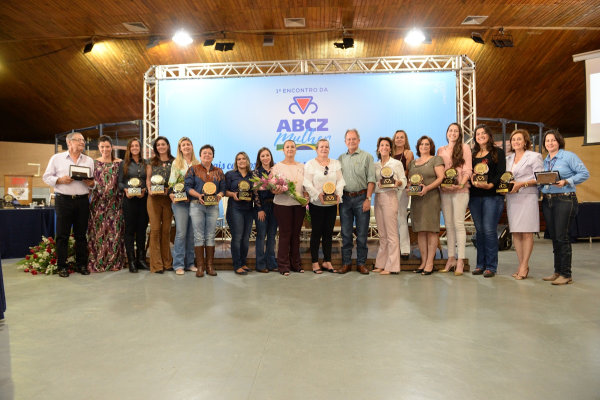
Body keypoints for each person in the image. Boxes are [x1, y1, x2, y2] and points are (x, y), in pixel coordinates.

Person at [43, 132, 95, 277]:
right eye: (79, 140)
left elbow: (93, 183)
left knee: (81, 235)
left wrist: (92, 184)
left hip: (82, 200)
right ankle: (62, 266)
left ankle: (81, 265)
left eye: (83, 141)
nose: (82, 143)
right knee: (62, 235)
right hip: (63, 200)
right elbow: (46, 177)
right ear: (69, 142)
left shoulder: (89, 160)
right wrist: (60, 180)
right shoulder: (57, 158)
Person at [540, 130, 589, 285]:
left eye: (553, 140)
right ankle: (558, 271)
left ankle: (566, 274)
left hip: (565, 200)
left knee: (562, 237)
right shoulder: (546, 161)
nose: (550, 143)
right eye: (547, 141)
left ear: (559, 142)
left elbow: (584, 173)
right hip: (548, 201)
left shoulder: (569, 156)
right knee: (555, 237)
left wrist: (566, 181)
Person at [504, 129, 544, 280]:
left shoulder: (534, 156)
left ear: (525, 141)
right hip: (512, 198)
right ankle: (520, 264)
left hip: (528, 197)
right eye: (513, 139)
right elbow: (507, 179)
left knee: (527, 232)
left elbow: (540, 178)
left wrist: (521, 184)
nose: (516, 142)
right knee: (516, 233)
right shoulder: (509, 158)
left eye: (519, 139)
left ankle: (525, 265)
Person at [469, 124, 506, 278]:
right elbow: (469, 172)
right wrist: (471, 177)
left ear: (489, 135)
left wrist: (491, 184)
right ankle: (480, 264)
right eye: (478, 134)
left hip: (493, 195)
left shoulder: (498, 152)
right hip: (475, 196)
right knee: (480, 231)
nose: (481, 136)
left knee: (489, 230)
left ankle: (491, 266)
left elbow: (501, 172)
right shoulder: (472, 154)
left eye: (484, 133)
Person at [303, 138, 345, 274]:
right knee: (316, 233)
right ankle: (315, 263)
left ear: (329, 149)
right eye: (321, 147)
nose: (324, 149)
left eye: (326, 147)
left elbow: (340, 181)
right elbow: (307, 183)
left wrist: (338, 194)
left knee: (328, 234)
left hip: (331, 204)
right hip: (316, 204)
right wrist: (318, 194)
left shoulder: (335, 164)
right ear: (316, 149)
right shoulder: (310, 164)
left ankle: (327, 261)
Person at [338, 129, 376, 275]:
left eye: (354, 139)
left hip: (362, 198)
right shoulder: (340, 158)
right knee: (346, 233)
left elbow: (371, 179)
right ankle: (346, 263)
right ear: (345, 141)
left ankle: (361, 263)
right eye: (349, 139)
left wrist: (368, 199)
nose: (351, 141)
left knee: (361, 234)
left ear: (358, 140)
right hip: (345, 200)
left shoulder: (367, 157)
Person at [185, 144, 226, 277]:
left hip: (213, 206)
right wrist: (198, 195)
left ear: (213, 156)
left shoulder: (219, 171)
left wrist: (219, 196)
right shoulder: (193, 169)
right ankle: (200, 267)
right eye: (204, 153)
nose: (207, 155)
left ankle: (210, 266)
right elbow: (187, 187)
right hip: (197, 205)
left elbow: (223, 189)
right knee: (198, 236)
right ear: (200, 155)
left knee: (210, 236)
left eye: (209, 153)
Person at [437, 123, 472, 276]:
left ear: (459, 134)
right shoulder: (440, 150)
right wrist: (442, 185)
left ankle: (461, 259)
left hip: (460, 191)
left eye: (456, 131)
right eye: (450, 130)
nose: (453, 133)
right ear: (447, 133)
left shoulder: (465, 148)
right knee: (449, 225)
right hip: (445, 191)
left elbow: (468, 169)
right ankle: (451, 258)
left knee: (458, 224)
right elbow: (439, 172)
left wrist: (461, 184)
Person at [87, 135, 125, 272]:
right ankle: (98, 262)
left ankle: (114, 263)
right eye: (102, 147)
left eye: (107, 146)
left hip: (116, 203)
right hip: (98, 203)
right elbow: (88, 182)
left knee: (114, 233)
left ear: (112, 147)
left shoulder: (119, 162)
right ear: (98, 147)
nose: (105, 149)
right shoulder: (93, 163)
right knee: (98, 233)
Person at [408, 136, 445, 275]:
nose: (424, 146)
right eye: (421, 144)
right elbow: (411, 180)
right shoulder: (412, 163)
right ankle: (423, 262)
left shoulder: (436, 160)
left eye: (427, 144)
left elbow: (441, 178)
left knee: (431, 230)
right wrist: (409, 187)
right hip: (417, 200)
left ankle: (430, 263)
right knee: (421, 231)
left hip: (431, 198)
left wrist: (427, 188)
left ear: (431, 146)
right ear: (418, 147)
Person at [272, 140, 309, 276]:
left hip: (298, 205)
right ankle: (283, 265)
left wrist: (305, 195)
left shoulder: (302, 166)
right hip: (282, 205)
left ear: (296, 150)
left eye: (292, 147)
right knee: (285, 234)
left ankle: (296, 264)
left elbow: (305, 186)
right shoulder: (277, 167)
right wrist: (275, 189)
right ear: (283, 150)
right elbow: (272, 185)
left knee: (296, 235)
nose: (290, 149)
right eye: (287, 147)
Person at [373, 137, 406, 275]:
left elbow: (403, 181)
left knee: (392, 234)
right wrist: (378, 185)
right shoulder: (375, 165)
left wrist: (396, 183)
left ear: (390, 148)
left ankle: (392, 266)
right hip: (378, 198)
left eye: (387, 145)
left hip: (390, 197)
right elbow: (373, 183)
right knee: (382, 235)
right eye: (382, 145)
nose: (384, 147)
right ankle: (381, 263)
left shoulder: (397, 163)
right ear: (378, 148)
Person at [118, 138, 150, 273]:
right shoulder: (123, 164)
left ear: (140, 148)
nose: (135, 148)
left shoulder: (146, 163)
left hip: (143, 200)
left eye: (137, 145)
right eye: (132, 146)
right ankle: (131, 261)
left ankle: (141, 260)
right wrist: (125, 190)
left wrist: (145, 190)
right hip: (129, 200)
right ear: (129, 148)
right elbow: (119, 182)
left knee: (142, 230)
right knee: (130, 230)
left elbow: (149, 181)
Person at [169, 137, 200, 275]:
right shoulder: (176, 163)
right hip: (180, 203)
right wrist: (173, 195)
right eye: (183, 145)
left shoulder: (197, 163)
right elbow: (172, 183)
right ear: (180, 148)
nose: (186, 147)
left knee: (191, 234)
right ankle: (178, 265)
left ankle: (190, 263)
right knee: (181, 233)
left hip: (194, 203)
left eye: (188, 144)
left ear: (192, 146)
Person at [146, 137, 175, 274]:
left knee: (166, 231)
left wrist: (168, 191)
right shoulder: (151, 162)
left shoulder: (175, 162)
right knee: (155, 230)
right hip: (153, 199)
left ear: (168, 146)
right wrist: (150, 190)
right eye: (158, 145)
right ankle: (157, 265)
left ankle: (167, 263)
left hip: (168, 199)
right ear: (155, 147)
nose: (161, 147)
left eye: (163, 144)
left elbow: (177, 180)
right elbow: (148, 179)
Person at [226, 152, 254, 275]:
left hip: (249, 209)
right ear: (236, 162)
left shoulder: (253, 175)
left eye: (243, 158)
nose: (241, 161)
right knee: (237, 238)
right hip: (235, 208)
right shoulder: (230, 174)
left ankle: (243, 263)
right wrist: (233, 195)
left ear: (247, 161)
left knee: (246, 238)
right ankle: (237, 265)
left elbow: (256, 191)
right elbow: (224, 190)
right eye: (239, 159)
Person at [252, 148, 278, 273]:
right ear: (259, 158)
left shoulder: (276, 171)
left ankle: (272, 263)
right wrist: (259, 209)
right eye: (263, 156)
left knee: (272, 236)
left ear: (271, 157)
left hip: (275, 207)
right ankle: (260, 264)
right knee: (261, 236)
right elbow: (255, 193)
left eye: (267, 155)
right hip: (262, 207)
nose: (265, 158)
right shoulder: (256, 172)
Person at [392, 130, 414, 259]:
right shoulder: (389, 152)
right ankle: (394, 247)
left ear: (405, 140)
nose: (399, 139)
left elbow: (408, 171)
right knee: (391, 220)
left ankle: (405, 249)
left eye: (402, 137)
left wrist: (395, 178)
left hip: (402, 188)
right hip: (388, 190)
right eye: (397, 137)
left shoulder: (408, 153)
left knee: (401, 218)